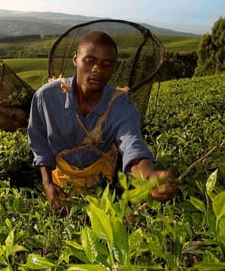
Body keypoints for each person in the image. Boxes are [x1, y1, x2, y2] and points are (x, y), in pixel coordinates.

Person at [27, 31, 177, 211]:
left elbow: (132, 144)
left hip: (99, 180)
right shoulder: (46, 97)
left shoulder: (121, 106)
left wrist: (149, 176)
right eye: (90, 61)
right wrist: (47, 184)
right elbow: (39, 142)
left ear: (113, 67)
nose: (97, 69)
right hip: (60, 178)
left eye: (106, 64)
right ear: (76, 59)